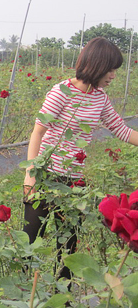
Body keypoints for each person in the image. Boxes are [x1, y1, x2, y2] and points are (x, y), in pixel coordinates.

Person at [23, 37, 138, 279]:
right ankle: (24, 295)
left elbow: (123, 131)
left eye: (115, 71)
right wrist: (30, 177)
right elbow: (38, 132)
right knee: (30, 243)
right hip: (45, 177)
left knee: (68, 249)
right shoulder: (62, 91)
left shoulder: (100, 98)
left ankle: (61, 298)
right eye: (111, 69)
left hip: (73, 183)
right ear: (96, 64)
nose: (113, 76)